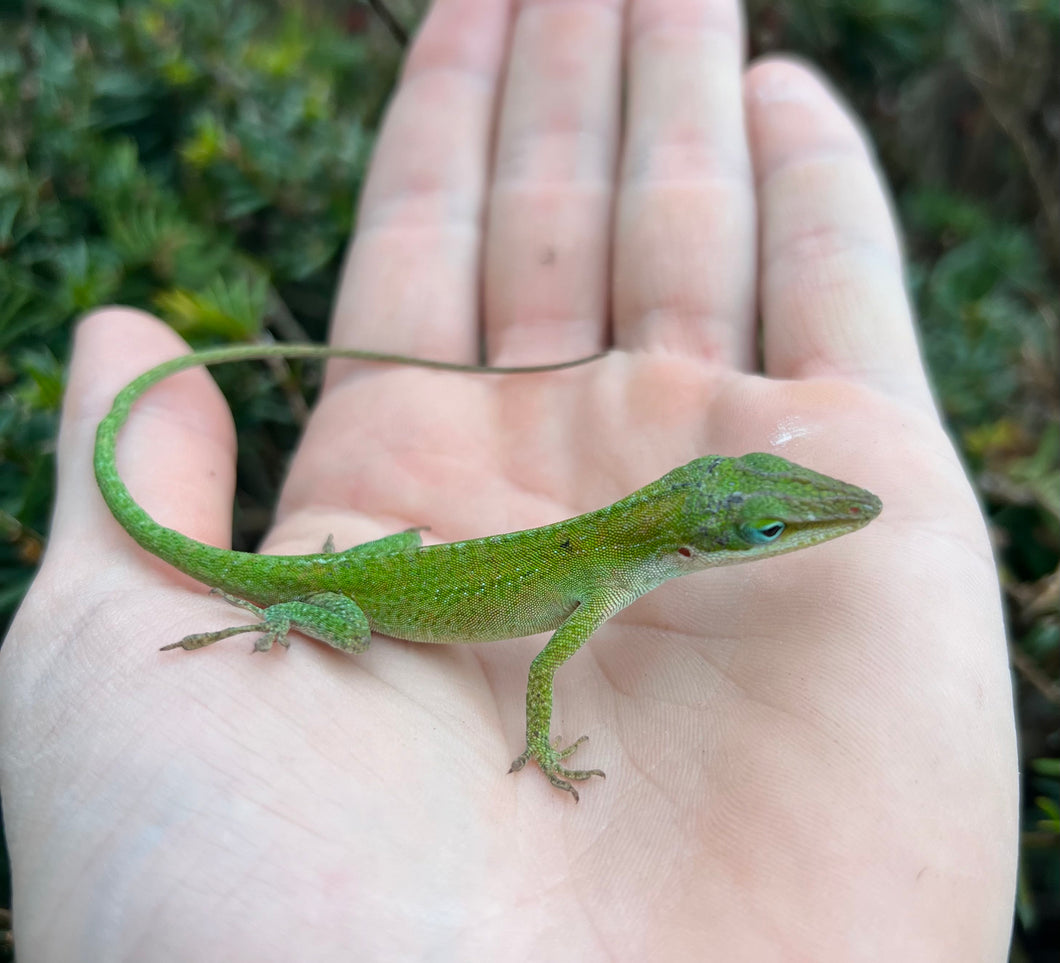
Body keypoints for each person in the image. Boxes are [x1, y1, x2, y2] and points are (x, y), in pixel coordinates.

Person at [0, 0, 1017, 957]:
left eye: (770, 525)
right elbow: (538, 674)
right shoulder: (601, 581)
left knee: (380, 568)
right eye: (764, 531)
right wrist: (532, 742)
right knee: (346, 621)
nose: (795, 531)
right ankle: (293, 609)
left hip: (387, 560)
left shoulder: (619, 558)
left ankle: (311, 591)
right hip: (351, 594)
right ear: (687, 537)